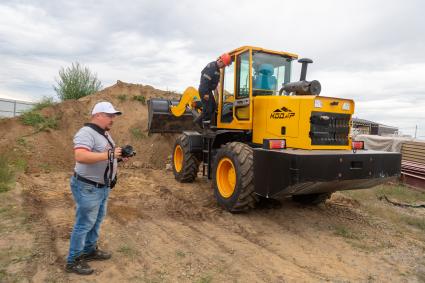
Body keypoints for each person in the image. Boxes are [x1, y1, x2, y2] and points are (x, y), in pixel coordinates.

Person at [65, 101, 125, 275]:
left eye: (114, 116)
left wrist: (118, 158)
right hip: (87, 187)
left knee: (96, 221)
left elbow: (106, 155)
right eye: (109, 115)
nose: (113, 119)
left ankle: (89, 250)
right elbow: (81, 155)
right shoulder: (86, 133)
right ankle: (73, 260)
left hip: (101, 187)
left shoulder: (104, 134)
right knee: (84, 224)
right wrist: (109, 155)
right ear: (97, 115)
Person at [196, 53, 232, 127]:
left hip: (208, 91)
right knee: (208, 108)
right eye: (224, 64)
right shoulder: (211, 67)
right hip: (204, 90)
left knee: (213, 107)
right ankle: (206, 128)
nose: (224, 66)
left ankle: (198, 121)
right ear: (221, 61)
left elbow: (216, 83)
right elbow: (204, 80)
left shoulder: (217, 70)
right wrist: (205, 93)